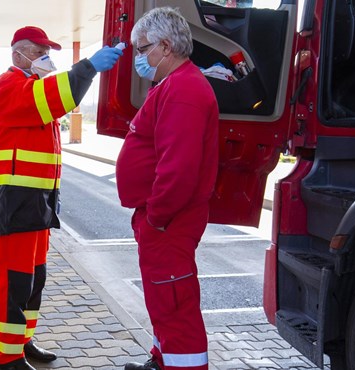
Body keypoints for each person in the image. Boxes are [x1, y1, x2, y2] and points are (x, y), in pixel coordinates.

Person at [0, 26, 123, 370]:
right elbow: (57, 95)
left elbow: (54, 99)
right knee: (15, 278)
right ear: (18, 53)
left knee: (34, 277)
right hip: (17, 198)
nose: (46, 58)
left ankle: (23, 341)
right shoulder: (9, 85)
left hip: (37, 199)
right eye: (39, 51)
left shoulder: (29, 86)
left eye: (47, 52)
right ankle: (8, 357)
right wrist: (88, 67)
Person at [115, 7, 219, 370]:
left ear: (165, 45)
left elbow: (178, 169)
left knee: (175, 306)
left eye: (142, 49)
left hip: (169, 222)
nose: (139, 58)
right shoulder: (176, 85)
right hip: (163, 222)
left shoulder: (183, 89)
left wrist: (156, 218)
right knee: (164, 300)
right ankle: (162, 360)